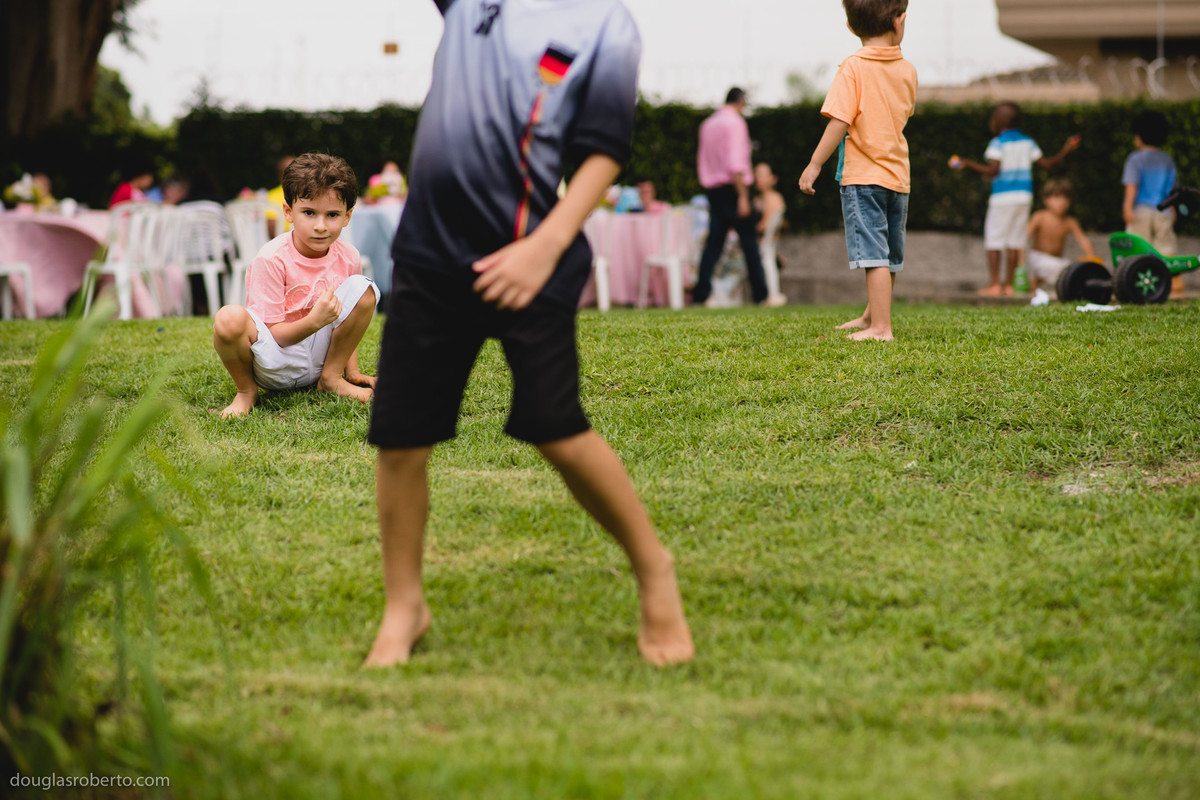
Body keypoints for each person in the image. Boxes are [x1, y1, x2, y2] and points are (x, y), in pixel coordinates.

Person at [363, 0, 694, 669]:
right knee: (401, 436)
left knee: (557, 427)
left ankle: (654, 569)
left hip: (531, 254)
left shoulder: (606, 24)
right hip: (429, 253)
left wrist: (544, 248)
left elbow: (604, 152)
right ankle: (405, 606)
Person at [211, 152, 379, 418]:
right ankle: (246, 391)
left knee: (365, 288)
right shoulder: (271, 258)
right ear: (289, 212)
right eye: (309, 213)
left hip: (321, 357)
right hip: (276, 361)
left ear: (347, 216)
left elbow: (346, 319)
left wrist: (353, 371)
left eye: (333, 215)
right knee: (228, 318)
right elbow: (275, 334)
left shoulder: (349, 256)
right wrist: (314, 321)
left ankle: (331, 379)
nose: (321, 226)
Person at [798, 0, 917, 341]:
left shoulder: (853, 67)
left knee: (874, 255)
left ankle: (881, 328)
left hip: (864, 176)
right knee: (889, 254)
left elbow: (840, 121)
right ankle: (872, 316)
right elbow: (904, 112)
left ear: (851, 28)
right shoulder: (908, 70)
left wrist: (815, 163)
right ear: (900, 22)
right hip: (898, 175)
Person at [950, 102, 1080, 297]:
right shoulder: (1028, 142)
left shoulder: (997, 143)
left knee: (994, 239)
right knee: (1014, 241)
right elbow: (1047, 164)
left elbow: (994, 171)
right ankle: (1009, 286)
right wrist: (1066, 149)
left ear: (998, 122)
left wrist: (967, 164)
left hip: (1002, 198)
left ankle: (995, 284)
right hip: (1023, 198)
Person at [692, 87, 769, 306]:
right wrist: (743, 196)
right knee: (749, 242)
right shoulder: (735, 123)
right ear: (741, 101)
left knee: (713, 244)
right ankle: (761, 295)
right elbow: (736, 164)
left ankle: (701, 295)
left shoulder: (707, 124)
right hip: (734, 189)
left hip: (713, 190)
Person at [1122, 109, 1181, 298]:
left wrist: (1127, 207)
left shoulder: (1135, 159)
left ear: (1138, 136)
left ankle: (1136, 280)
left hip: (1141, 210)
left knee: (1138, 248)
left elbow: (1132, 186)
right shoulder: (1167, 159)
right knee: (1165, 247)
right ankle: (1173, 281)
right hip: (1163, 211)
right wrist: (1173, 210)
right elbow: (1172, 190)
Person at [1026, 178, 1096, 305]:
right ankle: (1034, 285)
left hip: (1056, 261)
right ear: (1046, 199)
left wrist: (1091, 257)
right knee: (1056, 267)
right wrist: (1020, 259)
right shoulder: (1040, 217)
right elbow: (1024, 236)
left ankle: (1040, 287)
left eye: (1066, 198)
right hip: (1036, 258)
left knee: (1069, 268)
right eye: (1057, 197)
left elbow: (1083, 240)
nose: (1062, 202)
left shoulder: (1070, 221)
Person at [754, 163, 788, 306]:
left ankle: (772, 295)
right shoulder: (759, 199)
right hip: (768, 245)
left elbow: (765, 226)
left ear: (773, 178)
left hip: (767, 244)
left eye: (762, 175)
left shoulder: (773, 198)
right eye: (757, 175)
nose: (758, 179)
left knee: (766, 259)